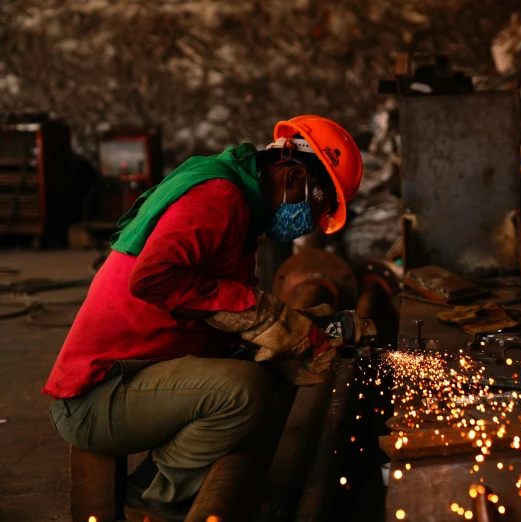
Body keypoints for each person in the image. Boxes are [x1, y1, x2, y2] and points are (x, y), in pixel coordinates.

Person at [42, 115, 363, 521]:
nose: (311, 222)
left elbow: (209, 305)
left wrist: (293, 325)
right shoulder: (219, 196)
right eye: (317, 205)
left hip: (136, 370)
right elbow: (154, 278)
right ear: (294, 175)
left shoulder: (234, 197)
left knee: (271, 365)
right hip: (96, 394)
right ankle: (153, 495)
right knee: (242, 390)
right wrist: (261, 313)